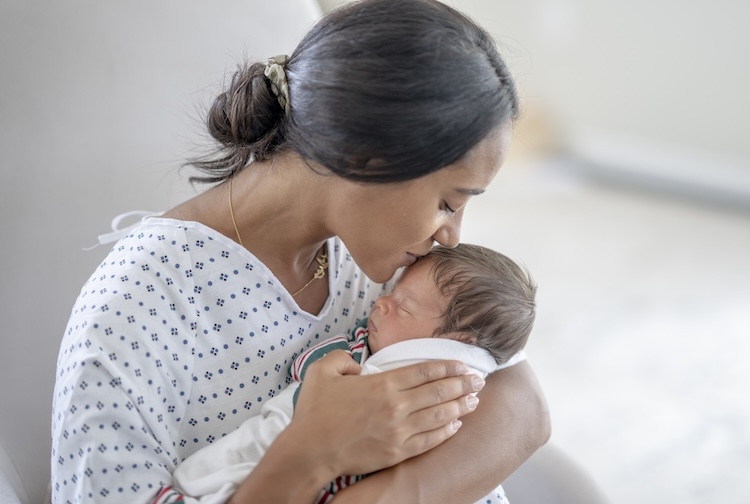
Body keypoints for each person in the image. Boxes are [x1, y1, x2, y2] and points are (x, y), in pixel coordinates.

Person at [51, 0, 550, 502]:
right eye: (447, 202)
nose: (452, 237)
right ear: (365, 155)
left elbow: (524, 403)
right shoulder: (137, 309)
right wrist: (314, 453)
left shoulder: (391, 261)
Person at [171, 244, 537, 503]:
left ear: (458, 344)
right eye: (392, 294)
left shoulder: (457, 369)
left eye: (404, 308)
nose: (382, 302)